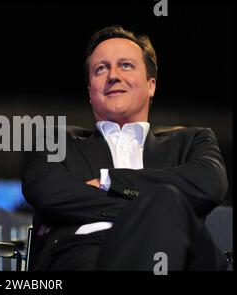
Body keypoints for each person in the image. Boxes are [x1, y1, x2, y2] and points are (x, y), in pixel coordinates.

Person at [22, 25, 229, 271]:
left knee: (166, 202)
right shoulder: (55, 141)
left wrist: (109, 180)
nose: (113, 76)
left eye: (126, 65)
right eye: (101, 69)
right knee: (165, 201)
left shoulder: (193, 140)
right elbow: (47, 193)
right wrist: (154, 209)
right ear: (90, 92)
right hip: (87, 251)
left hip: (179, 252)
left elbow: (209, 183)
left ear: (151, 85)